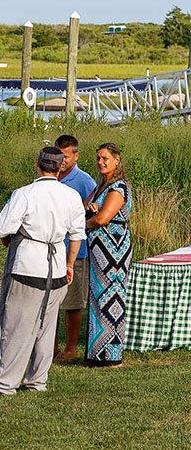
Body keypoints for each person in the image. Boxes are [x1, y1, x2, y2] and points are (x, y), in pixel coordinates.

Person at [0, 147, 86, 396]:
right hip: (57, 268)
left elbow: (2, 227)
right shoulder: (70, 196)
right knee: (46, 330)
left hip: (27, 266)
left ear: (37, 164)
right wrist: (69, 265)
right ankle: (37, 382)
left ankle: (5, 385)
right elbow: (77, 235)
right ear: (60, 168)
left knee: (16, 327)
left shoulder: (24, 194)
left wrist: (9, 237)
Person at [84, 142, 132, 367]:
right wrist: (89, 210)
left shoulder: (119, 187)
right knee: (97, 298)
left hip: (113, 251)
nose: (101, 162)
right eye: (98, 158)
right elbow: (83, 208)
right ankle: (96, 353)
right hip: (98, 250)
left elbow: (103, 219)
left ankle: (112, 356)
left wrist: (87, 222)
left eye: (105, 158)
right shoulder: (100, 187)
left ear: (116, 160)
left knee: (112, 298)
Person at [52, 134, 97, 362]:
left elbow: (93, 212)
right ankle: (51, 348)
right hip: (52, 251)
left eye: (67, 157)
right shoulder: (51, 176)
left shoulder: (85, 181)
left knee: (72, 302)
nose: (63, 161)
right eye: (60, 156)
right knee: (50, 302)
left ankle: (71, 348)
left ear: (76, 156)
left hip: (76, 251)